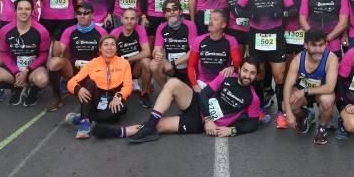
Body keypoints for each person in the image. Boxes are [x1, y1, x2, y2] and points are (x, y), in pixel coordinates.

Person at [95, 57, 263, 142]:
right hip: (201, 106)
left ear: (257, 76)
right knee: (174, 83)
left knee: (159, 126)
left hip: (199, 123)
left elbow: (252, 123)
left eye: (252, 73)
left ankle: (115, 132)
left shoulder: (252, 98)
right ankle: (150, 125)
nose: (247, 75)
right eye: (246, 71)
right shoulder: (228, 76)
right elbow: (204, 95)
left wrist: (231, 130)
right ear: (240, 69)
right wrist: (209, 118)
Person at [237, 0, 296, 128]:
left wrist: (282, 14)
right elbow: (238, 8)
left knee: (279, 75)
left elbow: (292, 10)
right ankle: (260, 107)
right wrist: (249, 14)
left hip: (275, 35)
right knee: (259, 74)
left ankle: (281, 112)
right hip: (256, 36)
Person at [0, 0, 50, 107]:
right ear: (15, 11)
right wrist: (16, 72)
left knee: (42, 80)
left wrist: (27, 70)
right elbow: (4, 54)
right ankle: (16, 87)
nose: (23, 12)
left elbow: (43, 55)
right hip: (13, 69)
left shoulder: (42, 31)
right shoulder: (5, 30)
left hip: (33, 69)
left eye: (27, 9)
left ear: (32, 12)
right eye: (20, 8)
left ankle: (33, 90)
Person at [63, 34, 133, 139]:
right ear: (100, 48)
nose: (109, 48)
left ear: (116, 47)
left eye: (112, 45)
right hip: (96, 98)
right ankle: (84, 124)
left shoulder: (124, 63)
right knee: (89, 83)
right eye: (106, 45)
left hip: (112, 99)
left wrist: (118, 97)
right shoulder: (92, 63)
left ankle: (83, 117)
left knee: (123, 108)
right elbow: (71, 82)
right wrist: (78, 89)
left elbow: (128, 86)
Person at [46, 2, 108, 112]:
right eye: (79, 13)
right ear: (76, 15)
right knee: (54, 62)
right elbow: (58, 53)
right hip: (74, 69)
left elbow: (107, 54)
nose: (82, 16)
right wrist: (55, 39)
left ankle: (103, 93)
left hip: (93, 70)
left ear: (92, 15)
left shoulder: (101, 31)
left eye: (86, 13)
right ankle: (57, 98)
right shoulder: (69, 31)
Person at [281, 29, 338, 144]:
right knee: (286, 104)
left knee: (328, 99)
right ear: (305, 45)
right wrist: (288, 113)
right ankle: (305, 116)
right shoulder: (298, 59)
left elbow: (330, 87)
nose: (317, 49)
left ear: (326, 44)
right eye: (313, 45)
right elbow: (287, 86)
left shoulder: (331, 59)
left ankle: (322, 127)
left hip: (319, 93)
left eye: (321, 45)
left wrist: (304, 92)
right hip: (303, 92)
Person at [188, 9, 242, 91]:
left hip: (222, 81)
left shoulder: (231, 40)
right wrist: (195, 85)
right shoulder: (198, 40)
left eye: (215, 19)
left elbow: (237, 61)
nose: (210, 21)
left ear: (223, 25)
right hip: (202, 83)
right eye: (210, 19)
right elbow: (191, 66)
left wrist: (232, 67)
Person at [150, 0, 198, 87]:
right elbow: (156, 50)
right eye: (168, 10)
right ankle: (166, 89)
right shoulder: (161, 27)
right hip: (170, 67)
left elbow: (193, 52)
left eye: (175, 9)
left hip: (186, 66)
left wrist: (173, 63)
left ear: (180, 12)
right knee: (153, 64)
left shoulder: (190, 25)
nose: (172, 12)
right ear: (164, 14)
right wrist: (157, 54)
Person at [110, 8, 152, 108]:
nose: (129, 21)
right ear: (121, 19)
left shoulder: (140, 29)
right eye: (126, 18)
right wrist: (123, 63)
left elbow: (147, 51)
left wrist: (128, 60)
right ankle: (115, 93)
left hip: (134, 67)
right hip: (120, 69)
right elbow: (109, 55)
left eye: (132, 18)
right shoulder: (115, 33)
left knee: (147, 62)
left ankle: (144, 93)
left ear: (137, 20)